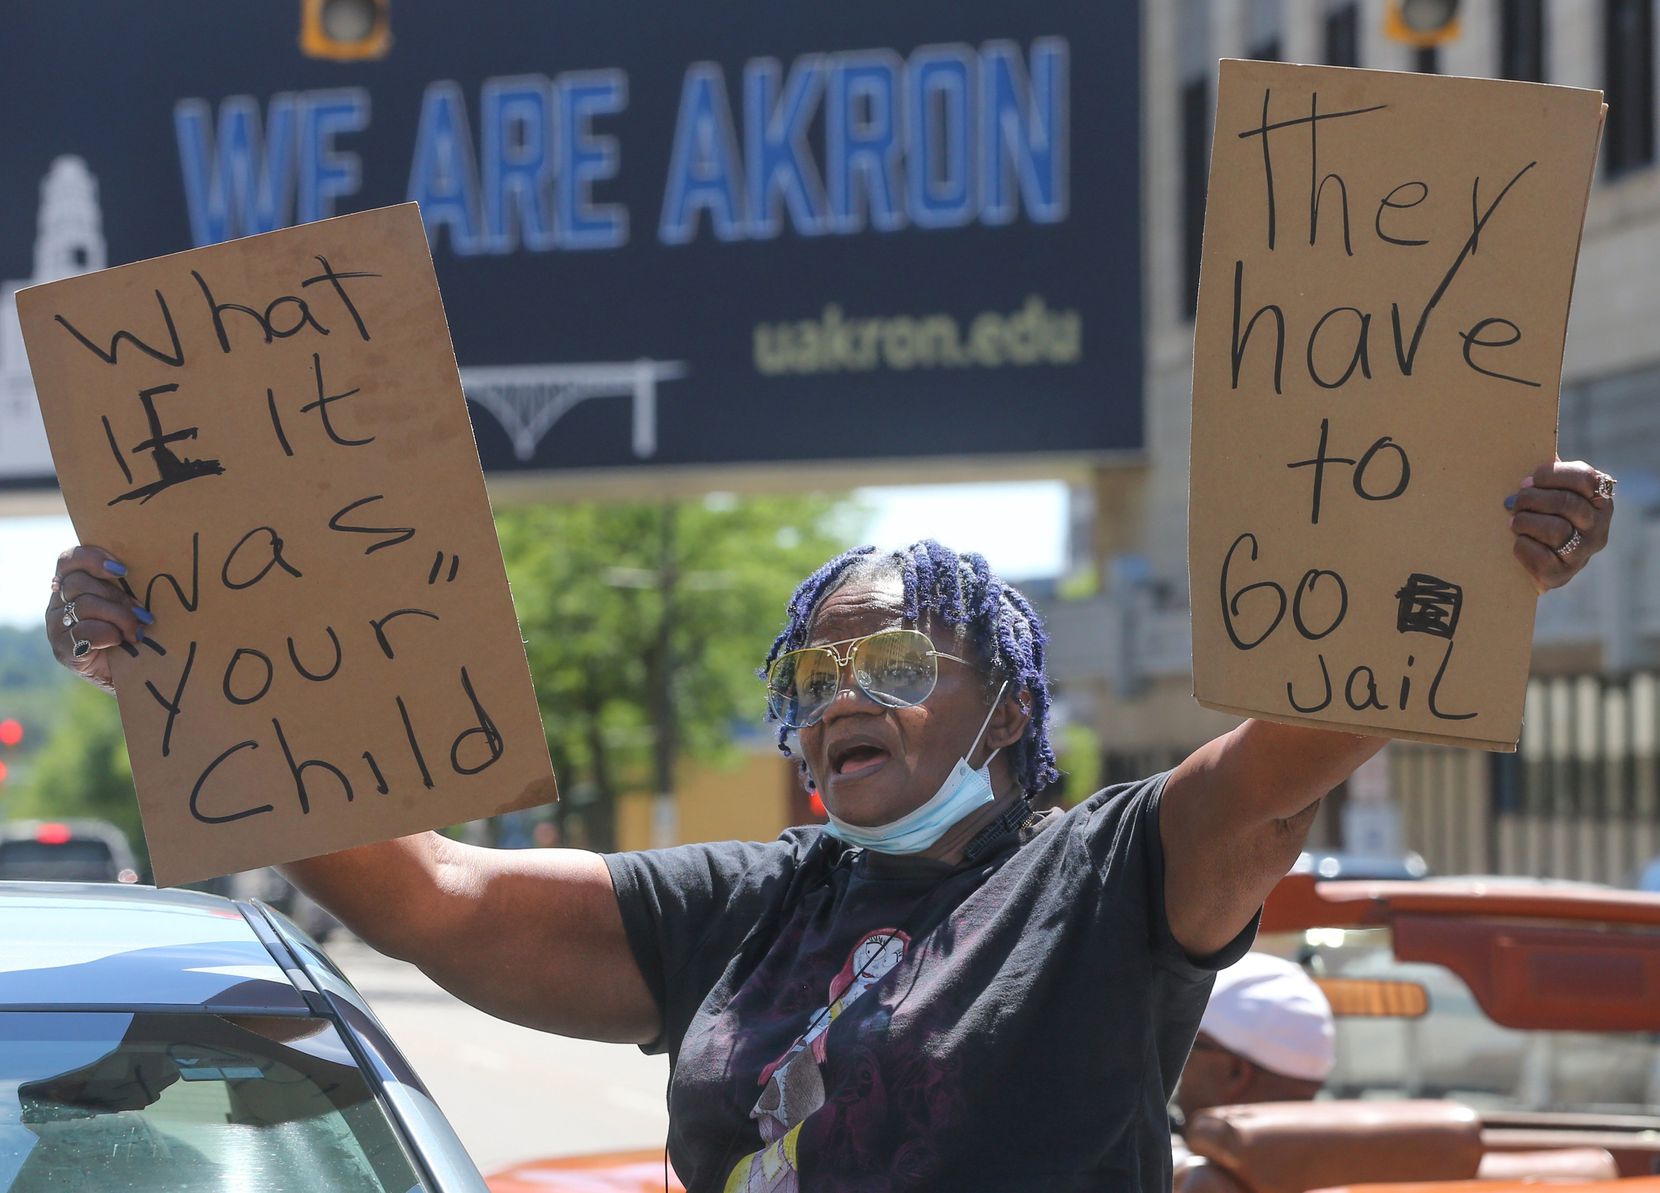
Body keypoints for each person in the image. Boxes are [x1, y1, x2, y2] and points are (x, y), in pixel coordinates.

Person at [42, 461, 1615, 1192]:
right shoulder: (740, 904)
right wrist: (173, 668)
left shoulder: (1109, 872)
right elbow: (429, 893)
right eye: (811, 670)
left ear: (1009, 704)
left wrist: (1484, 571)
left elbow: (1288, 755)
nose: (841, 691)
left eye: (896, 658)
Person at [1171, 952, 1335, 1165]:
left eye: (1188, 1048)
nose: (1177, 1068)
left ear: (1235, 1072)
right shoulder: (1338, 1172)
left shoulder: (1162, 1174)